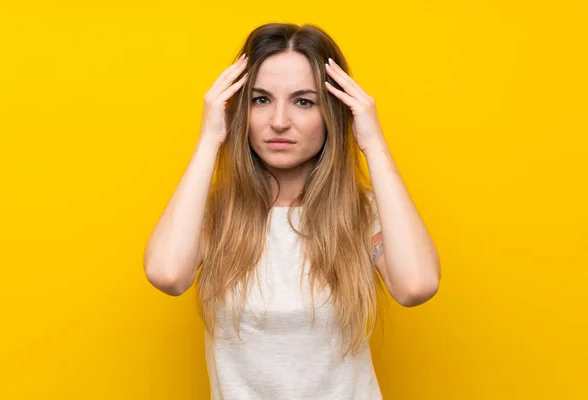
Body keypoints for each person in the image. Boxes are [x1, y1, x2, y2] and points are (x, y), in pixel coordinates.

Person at [144, 22, 441, 400]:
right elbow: (167, 274)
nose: (279, 121)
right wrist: (210, 137)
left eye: (304, 101)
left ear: (332, 113)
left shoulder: (361, 213)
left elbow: (416, 286)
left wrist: (372, 139)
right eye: (260, 100)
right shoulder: (216, 216)